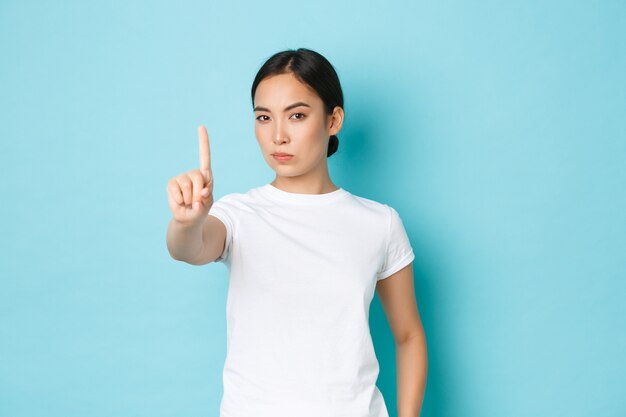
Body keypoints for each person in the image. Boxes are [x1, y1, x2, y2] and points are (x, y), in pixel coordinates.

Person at [165, 48, 427, 417]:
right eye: (264, 117)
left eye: (297, 116)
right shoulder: (238, 214)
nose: (278, 136)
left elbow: (409, 335)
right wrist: (186, 222)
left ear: (333, 120)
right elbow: (188, 249)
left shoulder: (379, 223)